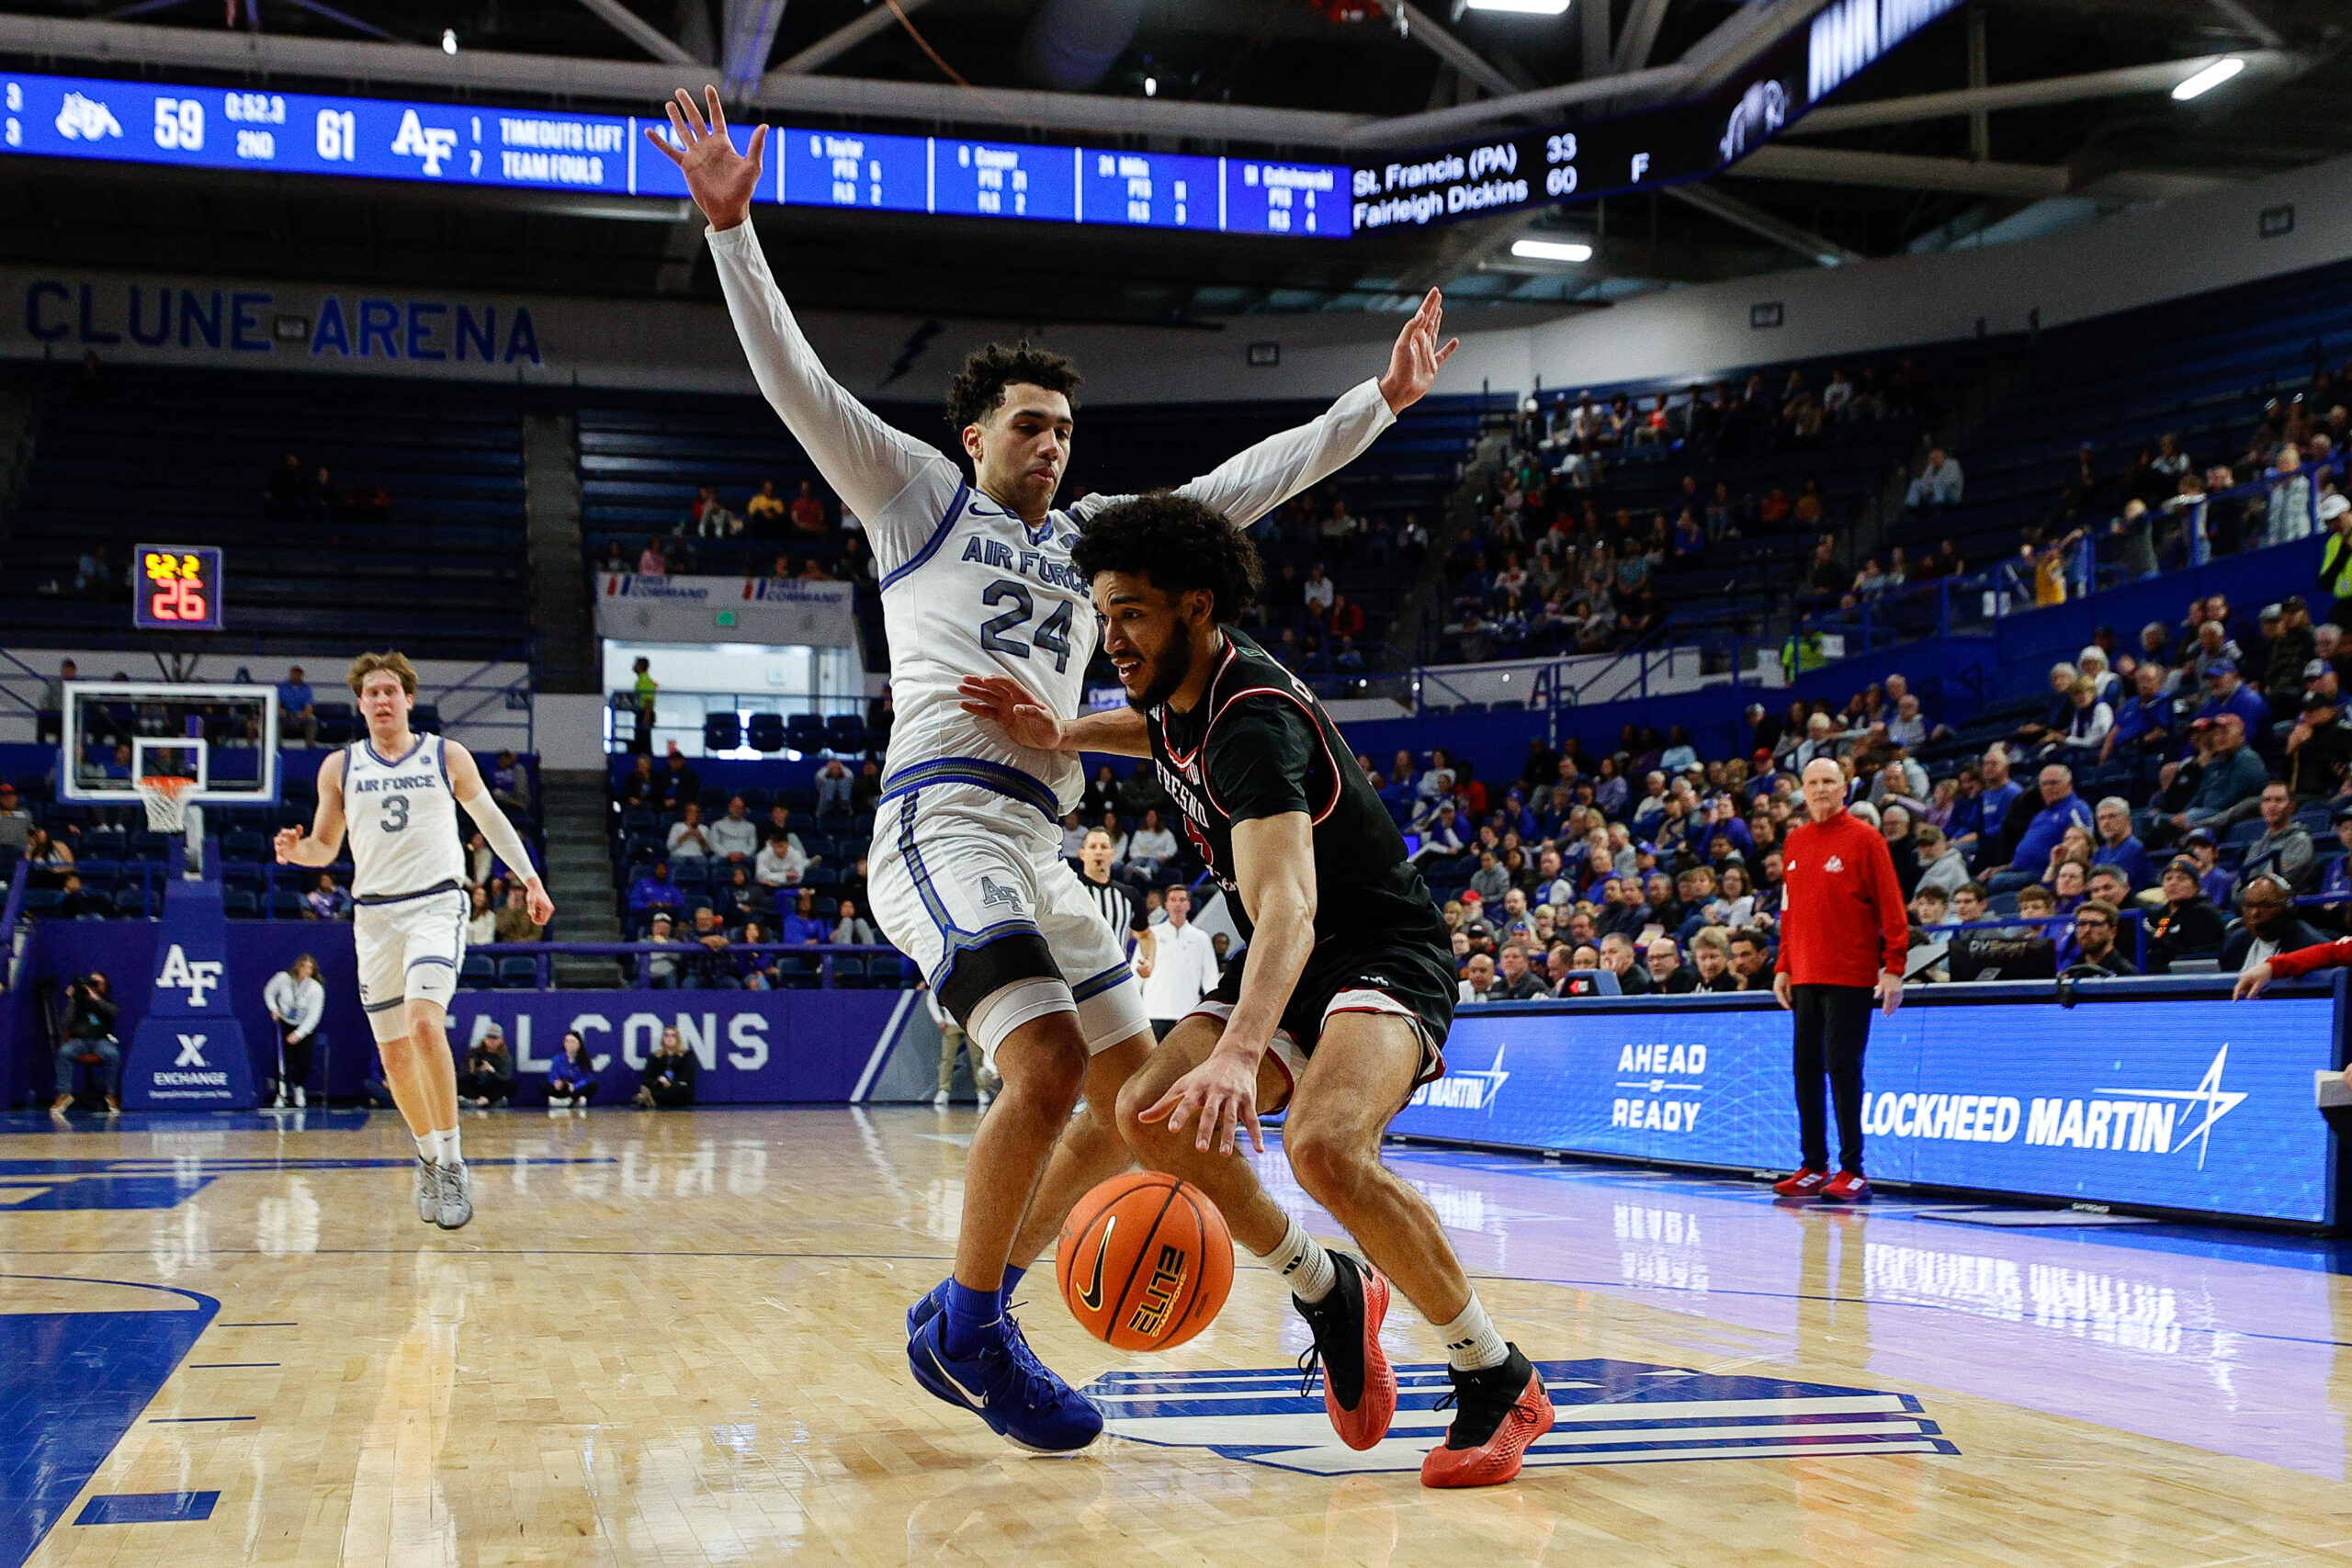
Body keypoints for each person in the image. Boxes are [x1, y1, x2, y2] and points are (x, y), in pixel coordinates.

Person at [650, 86, 1453, 1453]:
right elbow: (797, 380)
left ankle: (1301, 1292)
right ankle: (972, 1327)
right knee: (1034, 1067)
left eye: (1063, 428)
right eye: (1029, 424)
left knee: (1147, 1117)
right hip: (941, 819)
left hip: (1049, 841)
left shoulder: (1100, 545)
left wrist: (1374, 403)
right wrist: (731, 229)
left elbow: (1251, 480)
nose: (1052, 443)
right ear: (975, 436)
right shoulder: (912, 494)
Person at [962, 491, 1553, 1488]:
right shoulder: (1176, 694)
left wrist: (1241, 1052)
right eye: (1104, 615)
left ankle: (1497, 1376)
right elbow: (1155, 737)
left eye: (1133, 615)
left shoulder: (1253, 722)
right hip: (1293, 959)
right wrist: (1062, 733)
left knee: (1323, 1145)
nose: (1114, 638)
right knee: (1146, 1113)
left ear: (1197, 606)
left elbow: (1288, 909)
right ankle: (1327, 1291)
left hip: (1375, 946)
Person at [275, 650, 554, 1233]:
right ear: (360, 704)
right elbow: (325, 847)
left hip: (435, 903)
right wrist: (296, 852)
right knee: (394, 1055)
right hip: (374, 916)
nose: (380, 700)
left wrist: (529, 878)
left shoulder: (445, 754)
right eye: (370, 692)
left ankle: (452, 1161)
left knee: (427, 1022)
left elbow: (492, 820)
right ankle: (426, 1154)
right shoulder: (339, 767)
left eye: (389, 691)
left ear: (407, 699)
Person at [1772, 758, 1906, 1203]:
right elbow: (1790, 913)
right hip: (1805, 974)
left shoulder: (1866, 839)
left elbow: (1892, 907)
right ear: (1803, 791)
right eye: (1812, 783)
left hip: (1850, 976)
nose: (1820, 789)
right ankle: (1813, 1165)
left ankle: (1853, 1169)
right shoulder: (1794, 841)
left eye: (1829, 781)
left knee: (1844, 1070)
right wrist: (1783, 966)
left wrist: (1894, 968)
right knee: (1805, 1072)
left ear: (1845, 787)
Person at [1136, 883, 1219, 1038]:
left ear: (1189, 904)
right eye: (1173, 900)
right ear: (1166, 905)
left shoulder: (1201, 938)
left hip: (1186, 1013)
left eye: (1182, 900)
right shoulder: (1151, 935)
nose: (1177, 904)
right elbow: (1136, 975)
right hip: (1153, 1012)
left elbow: (1210, 979)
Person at [2219, 874, 2328, 974]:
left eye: (2265, 906)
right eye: (2248, 906)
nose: (2254, 913)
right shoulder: (2236, 942)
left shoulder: (2310, 946)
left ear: (2288, 909)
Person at [51, 971, 120, 1115]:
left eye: (98, 983)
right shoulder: (78, 1003)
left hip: (100, 1040)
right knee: (64, 1052)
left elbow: (113, 1012)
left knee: (113, 1054)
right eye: (91, 982)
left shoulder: (108, 1002)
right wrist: (72, 1000)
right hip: (79, 1041)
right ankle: (64, 1094)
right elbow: (64, 1024)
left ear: (104, 986)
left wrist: (97, 999)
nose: (93, 985)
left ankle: (111, 1094)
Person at [263, 954, 325, 1108]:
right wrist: (274, 1009)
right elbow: (269, 992)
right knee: (283, 1061)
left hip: (304, 1026)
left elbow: (314, 1016)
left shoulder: (315, 989)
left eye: (310, 968)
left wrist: (299, 1034)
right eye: (303, 966)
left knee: (303, 1062)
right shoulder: (283, 978)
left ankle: (298, 1087)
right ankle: (281, 1093)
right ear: (298, 966)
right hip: (284, 1023)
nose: (306, 970)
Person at [929, 982, 1000, 1111]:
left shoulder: (971, 977)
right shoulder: (944, 977)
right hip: (951, 1025)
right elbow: (931, 998)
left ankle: (982, 1091)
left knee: (977, 1059)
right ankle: (943, 1090)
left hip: (970, 1024)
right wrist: (940, 1020)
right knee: (947, 1059)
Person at [2064, 900, 2139, 977]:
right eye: (2082, 923)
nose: (2087, 930)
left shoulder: (2126, 974)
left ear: (2113, 932)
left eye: (2095, 924)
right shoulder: (2072, 972)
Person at [631, 1025, 697, 1108]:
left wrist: (671, 1083)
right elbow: (647, 1077)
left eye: (673, 1035)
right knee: (649, 1086)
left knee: (681, 1088)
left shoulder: (687, 1055)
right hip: (661, 1086)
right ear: (663, 1038)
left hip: (678, 1089)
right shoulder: (655, 1057)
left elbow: (687, 1075)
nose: (669, 1038)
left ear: (678, 1038)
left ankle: (648, 1098)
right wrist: (660, 1080)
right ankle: (649, 1099)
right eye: (666, 1035)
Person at [458, 1025, 518, 1108]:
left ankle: (487, 1101)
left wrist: (492, 1071)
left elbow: (505, 1078)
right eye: (489, 1037)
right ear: (484, 1039)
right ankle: (479, 1101)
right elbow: (462, 1076)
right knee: (457, 1083)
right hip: (475, 1087)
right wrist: (475, 1071)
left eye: (495, 1038)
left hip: (492, 1088)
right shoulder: (473, 1054)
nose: (492, 1041)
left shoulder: (505, 1057)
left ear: (501, 1040)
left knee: (512, 1085)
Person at [547, 1028, 599, 1111]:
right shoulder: (558, 1058)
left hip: (576, 1089)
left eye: (572, 1041)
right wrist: (556, 1083)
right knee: (544, 1086)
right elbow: (552, 1076)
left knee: (593, 1085)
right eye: (567, 1041)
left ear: (579, 1044)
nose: (569, 1044)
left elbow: (588, 1078)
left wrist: (575, 1086)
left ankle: (570, 1100)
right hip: (563, 1088)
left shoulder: (584, 1059)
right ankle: (564, 1101)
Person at [278, 664, 318, 746]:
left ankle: (310, 746)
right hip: (285, 715)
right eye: (294, 673)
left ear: (302, 675)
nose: (296, 675)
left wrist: (303, 714)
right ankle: (277, 746)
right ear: (291, 674)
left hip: (300, 716)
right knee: (275, 719)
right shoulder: (282, 687)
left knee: (312, 719)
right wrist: (282, 712)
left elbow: (309, 708)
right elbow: (276, 704)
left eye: (299, 673)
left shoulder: (306, 688)